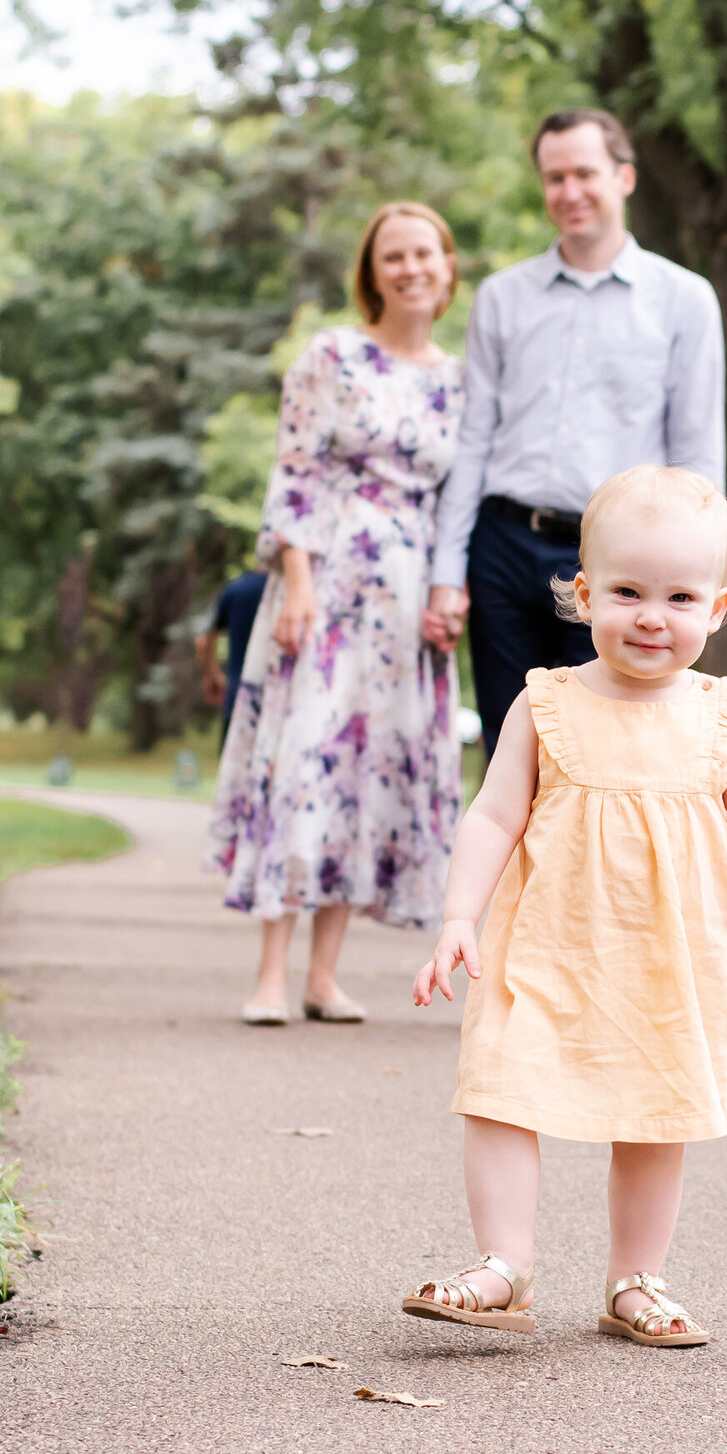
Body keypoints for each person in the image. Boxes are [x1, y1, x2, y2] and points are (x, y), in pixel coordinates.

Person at [403, 466, 727, 1345]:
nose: (652, 615)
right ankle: (504, 1265)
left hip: (663, 960)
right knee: (501, 1090)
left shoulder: (726, 715)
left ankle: (634, 1278)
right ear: (581, 594)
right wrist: (458, 916)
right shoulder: (546, 702)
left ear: (718, 608)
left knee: (655, 1110)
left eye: (679, 597)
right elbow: (493, 814)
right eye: (628, 591)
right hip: (545, 948)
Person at [206, 201, 466, 1027]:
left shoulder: (460, 379)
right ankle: (270, 975)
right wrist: (298, 580)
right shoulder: (332, 355)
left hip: (408, 594)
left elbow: (459, 497)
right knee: (305, 755)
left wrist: (444, 594)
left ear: (448, 266)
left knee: (366, 771)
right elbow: (296, 471)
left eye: (424, 252)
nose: (411, 267)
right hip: (329, 576)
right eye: (393, 256)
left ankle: (325, 975)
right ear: (372, 272)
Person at [424, 108, 725, 753]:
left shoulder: (685, 299)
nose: (570, 192)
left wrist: (688, 588)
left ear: (624, 177)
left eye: (584, 173)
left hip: (617, 563)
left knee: (599, 751)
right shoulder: (502, 298)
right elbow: (474, 439)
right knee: (510, 752)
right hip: (502, 546)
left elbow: (697, 458)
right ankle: (508, 862)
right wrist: (448, 571)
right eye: (554, 177)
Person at [194, 569, 268, 748]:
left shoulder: (234, 589)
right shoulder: (296, 587)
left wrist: (214, 676)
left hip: (239, 696)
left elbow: (203, 642)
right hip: (282, 701)